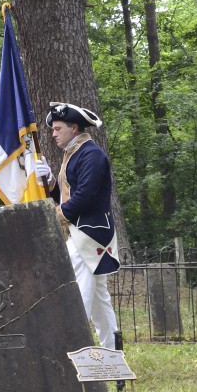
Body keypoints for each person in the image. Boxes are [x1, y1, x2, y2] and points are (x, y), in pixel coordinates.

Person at [37, 101, 120, 350]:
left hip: (88, 235)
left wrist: (54, 216)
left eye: (58, 129)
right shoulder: (74, 153)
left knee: (77, 295)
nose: (53, 134)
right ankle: (113, 353)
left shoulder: (91, 154)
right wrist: (51, 180)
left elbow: (84, 197)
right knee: (99, 301)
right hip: (80, 232)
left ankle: (72, 350)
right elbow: (67, 194)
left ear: (74, 127)